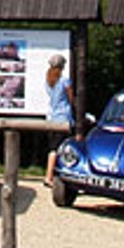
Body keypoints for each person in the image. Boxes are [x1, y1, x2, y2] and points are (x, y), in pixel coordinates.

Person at [43, 53, 75, 182]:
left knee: (53, 147)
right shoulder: (64, 81)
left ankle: (50, 174)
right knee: (60, 148)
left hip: (51, 117)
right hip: (63, 118)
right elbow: (71, 98)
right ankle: (50, 176)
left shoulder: (48, 81)